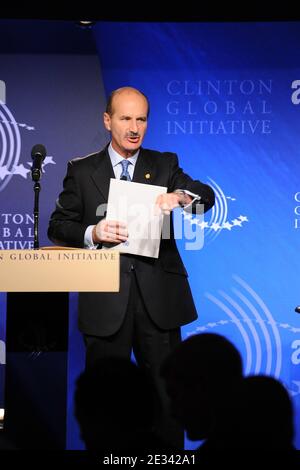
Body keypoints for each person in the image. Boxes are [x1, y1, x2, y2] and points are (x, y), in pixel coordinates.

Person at [48, 86, 215, 447]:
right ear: (108, 120)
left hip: (158, 302)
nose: (134, 127)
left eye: (141, 119)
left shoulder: (165, 164)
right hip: (106, 300)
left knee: (168, 400)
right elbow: (58, 225)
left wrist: (181, 197)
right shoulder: (81, 170)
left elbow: (205, 197)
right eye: (125, 118)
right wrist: (93, 231)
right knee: (108, 403)